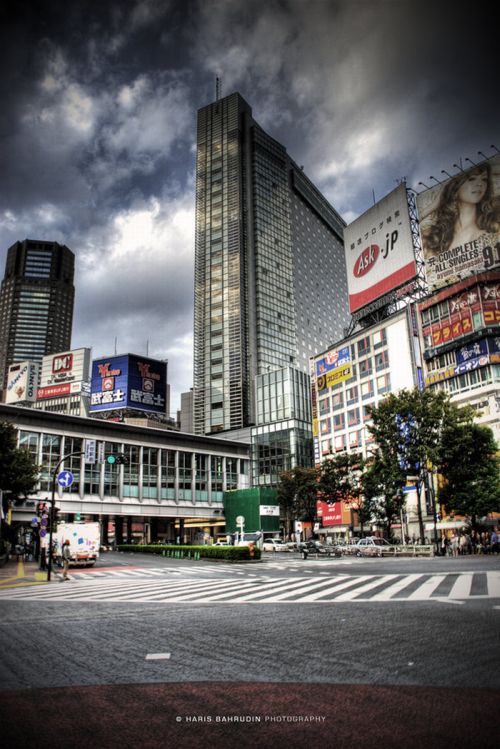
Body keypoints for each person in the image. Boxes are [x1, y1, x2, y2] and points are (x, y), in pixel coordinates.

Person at [423, 162, 500, 256]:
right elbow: (405, 232)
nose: (480, 184)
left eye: (484, 179)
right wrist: (433, 205)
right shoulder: (433, 236)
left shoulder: (492, 230)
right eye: (472, 179)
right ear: (456, 186)